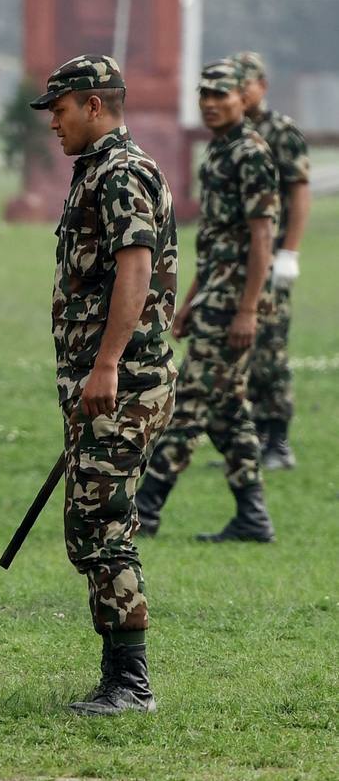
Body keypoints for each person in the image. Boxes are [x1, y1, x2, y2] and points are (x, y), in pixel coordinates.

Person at [29, 54, 177, 715]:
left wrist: (107, 363)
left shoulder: (118, 174)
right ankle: (117, 676)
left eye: (59, 111)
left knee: (102, 521)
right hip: (102, 383)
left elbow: (134, 269)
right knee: (92, 521)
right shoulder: (97, 172)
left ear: (93, 104)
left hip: (122, 381)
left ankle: (129, 684)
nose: (53, 125)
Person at [134, 61, 279, 545]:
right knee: (228, 410)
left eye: (222, 94)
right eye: (205, 95)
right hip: (215, 295)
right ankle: (253, 518)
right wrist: (192, 299)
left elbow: (262, 238)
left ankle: (147, 509)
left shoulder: (252, 154)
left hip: (238, 299)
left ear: (244, 97)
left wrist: (247, 309)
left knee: (191, 400)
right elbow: (217, 242)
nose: (212, 103)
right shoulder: (218, 152)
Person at [230, 51, 310, 470]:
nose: (240, 91)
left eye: (246, 83)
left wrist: (289, 252)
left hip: (271, 254)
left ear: (263, 84)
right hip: (237, 261)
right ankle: (250, 438)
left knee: (269, 347)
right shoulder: (232, 132)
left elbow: (299, 193)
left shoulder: (280, 132)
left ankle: (277, 441)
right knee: (238, 350)